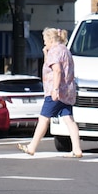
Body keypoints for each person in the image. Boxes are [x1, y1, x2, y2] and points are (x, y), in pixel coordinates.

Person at [18, 27, 83, 157]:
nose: (44, 42)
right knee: (69, 119)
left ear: (51, 39)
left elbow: (57, 70)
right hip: (67, 91)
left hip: (56, 91)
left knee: (43, 118)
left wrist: (55, 89)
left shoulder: (55, 51)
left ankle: (32, 146)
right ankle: (77, 148)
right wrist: (45, 54)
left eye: (45, 40)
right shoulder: (64, 50)